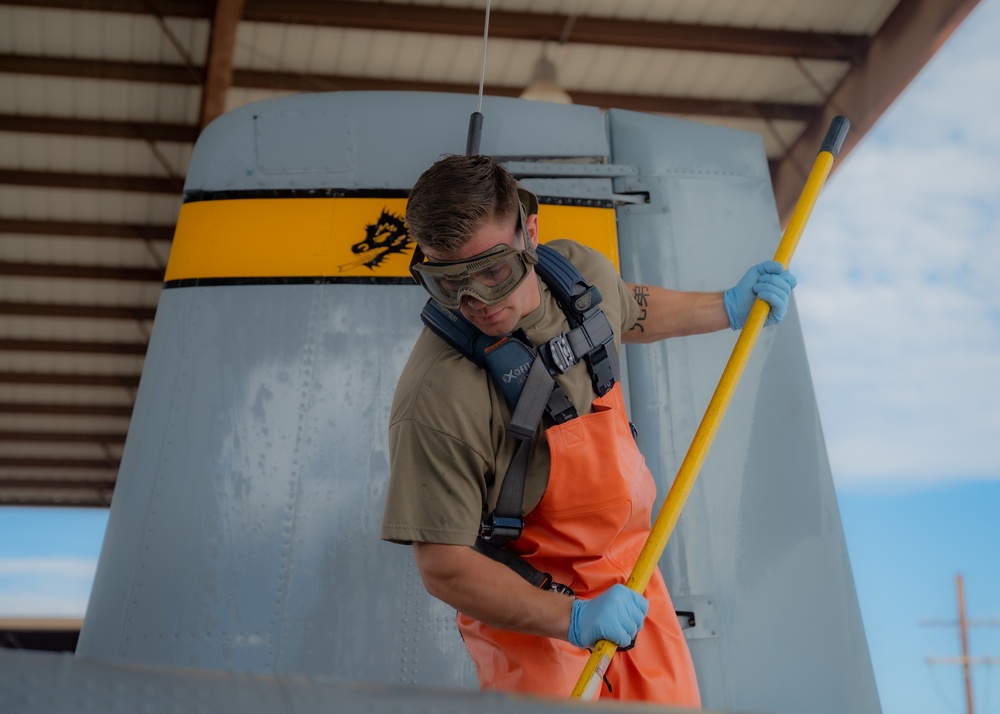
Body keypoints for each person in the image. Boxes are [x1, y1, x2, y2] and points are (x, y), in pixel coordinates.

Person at [380, 154, 796, 706]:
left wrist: (725, 306)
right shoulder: (436, 397)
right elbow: (444, 568)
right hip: (529, 609)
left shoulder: (575, 276)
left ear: (529, 233)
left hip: (631, 575)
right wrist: (570, 619)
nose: (475, 301)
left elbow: (628, 311)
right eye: (447, 282)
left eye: (493, 271)